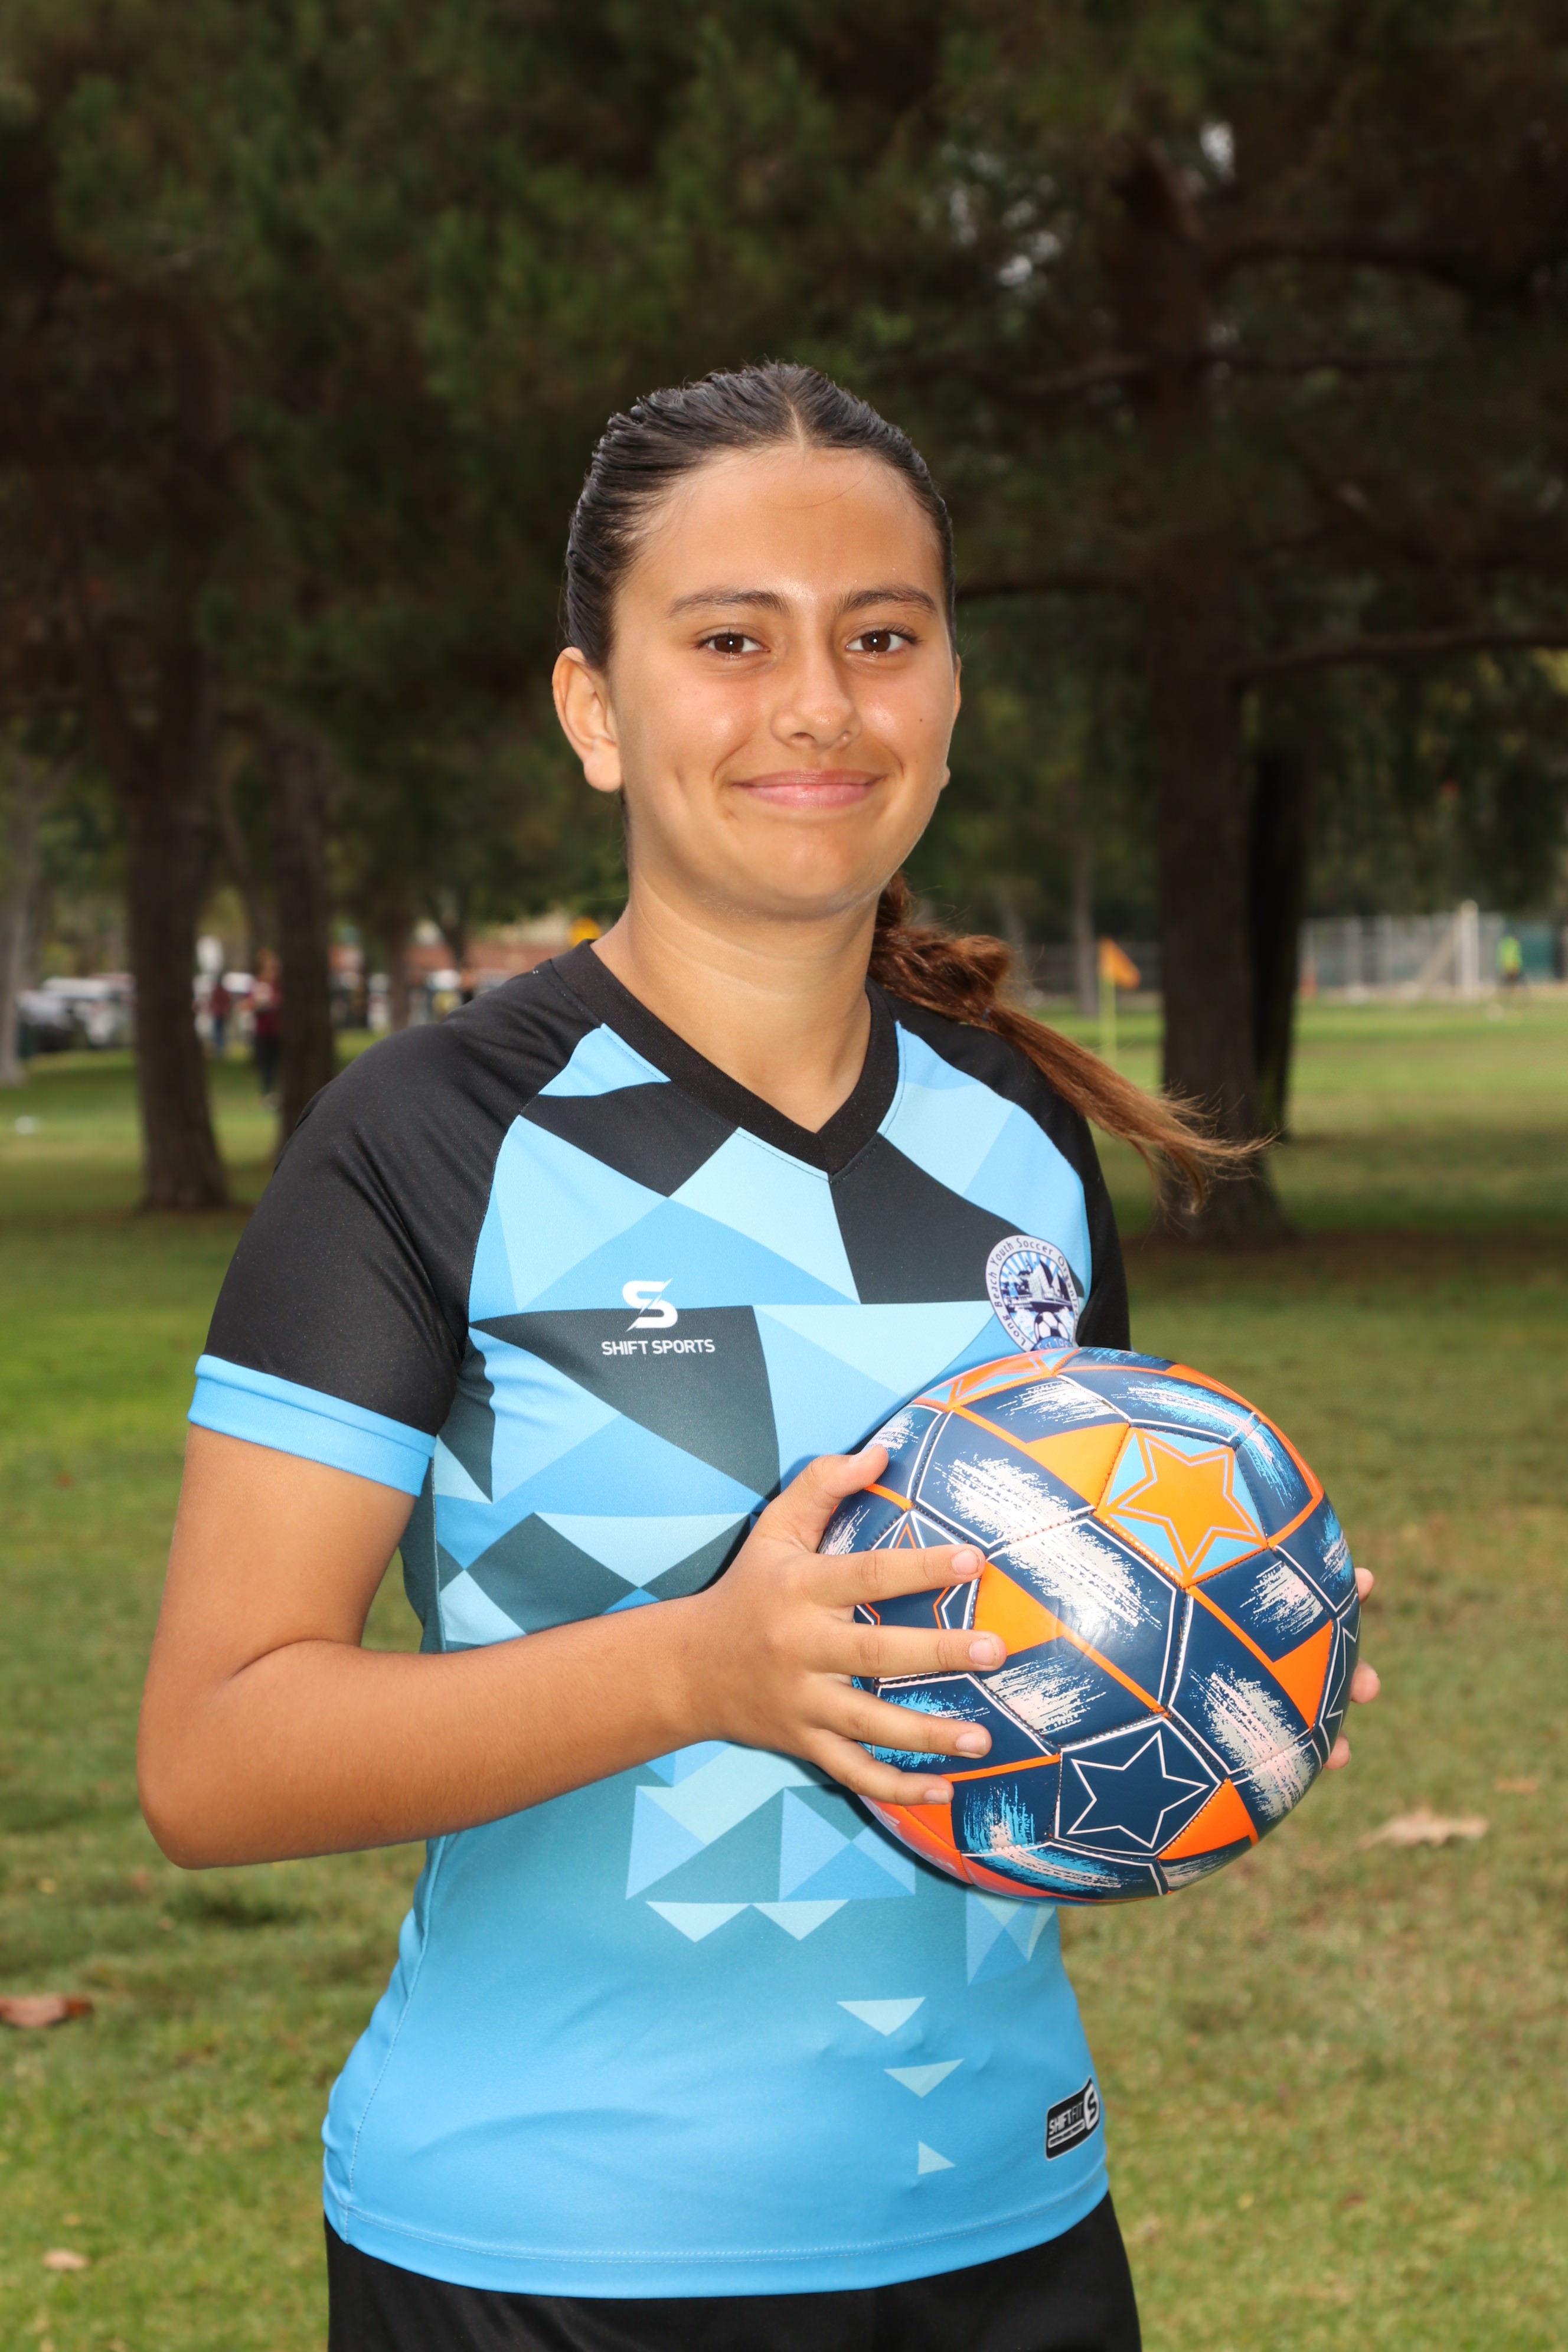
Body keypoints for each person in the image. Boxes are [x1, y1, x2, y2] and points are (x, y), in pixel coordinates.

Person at [138, 366, 1379, 2352]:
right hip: (549, 2257)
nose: (819, 703)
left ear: (948, 697)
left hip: (1009, 2223)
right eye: (731, 641)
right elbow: (212, 1758)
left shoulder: (1018, 1142)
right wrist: (700, 1670)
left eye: (881, 638)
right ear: (594, 710)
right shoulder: (430, 1139)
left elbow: (1044, 1638)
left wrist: (1203, 1661)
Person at [250, 949, 282, 1100]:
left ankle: (277, 1091)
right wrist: (258, 1003)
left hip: (278, 1030)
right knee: (266, 1065)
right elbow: (246, 1004)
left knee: (278, 1064)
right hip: (263, 1031)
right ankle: (267, 1092)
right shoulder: (258, 984)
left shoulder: (278, 985)